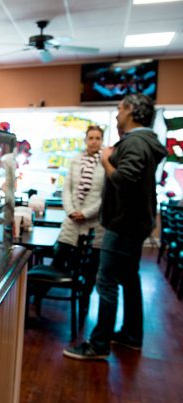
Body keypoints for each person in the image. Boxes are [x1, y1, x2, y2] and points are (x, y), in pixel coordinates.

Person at [63, 94, 167, 360]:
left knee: (106, 281)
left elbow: (126, 180)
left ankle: (98, 345)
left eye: (120, 108)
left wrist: (107, 160)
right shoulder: (147, 141)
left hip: (123, 224)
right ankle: (131, 335)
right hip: (135, 223)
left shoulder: (134, 143)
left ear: (131, 110)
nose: (118, 113)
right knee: (129, 279)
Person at [54, 126, 106, 315]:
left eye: (98, 138)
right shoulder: (75, 160)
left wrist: (85, 213)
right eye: (91, 137)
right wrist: (71, 210)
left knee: (90, 268)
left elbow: (105, 195)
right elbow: (67, 188)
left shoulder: (106, 161)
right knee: (60, 258)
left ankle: (84, 302)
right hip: (71, 221)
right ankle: (43, 296)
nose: (94, 141)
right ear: (85, 140)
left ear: (102, 140)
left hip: (93, 222)